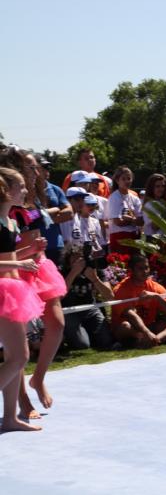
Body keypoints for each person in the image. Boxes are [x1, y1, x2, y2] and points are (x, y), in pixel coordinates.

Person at [3, 148, 68, 411]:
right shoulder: (8, 205)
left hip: (39, 266)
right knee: (17, 345)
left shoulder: (33, 200)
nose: (36, 171)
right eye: (30, 167)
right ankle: (20, 400)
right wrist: (22, 257)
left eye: (36, 167)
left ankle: (38, 378)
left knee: (57, 324)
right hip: (16, 270)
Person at [0, 167, 46, 432]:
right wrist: (21, 262)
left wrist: (30, 251)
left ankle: (9, 418)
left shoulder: (11, 221)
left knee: (13, 357)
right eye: (20, 185)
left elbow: (9, 257)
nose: (26, 189)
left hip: (13, 289)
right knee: (20, 357)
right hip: (3, 290)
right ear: (6, 190)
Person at [111, 254, 166, 348]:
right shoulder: (121, 289)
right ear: (131, 270)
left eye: (146, 268)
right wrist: (147, 332)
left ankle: (156, 340)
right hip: (131, 328)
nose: (145, 271)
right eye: (140, 268)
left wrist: (157, 297)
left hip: (150, 326)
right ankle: (144, 340)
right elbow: (131, 316)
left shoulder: (155, 287)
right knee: (125, 326)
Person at [60, 245, 114, 350]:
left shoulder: (94, 270)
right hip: (69, 311)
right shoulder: (62, 272)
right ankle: (68, 336)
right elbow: (60, 296)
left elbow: (110, 296)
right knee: (82, 345)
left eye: (80, 259)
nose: (78, 263)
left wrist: (94, 279)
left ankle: (89, 333)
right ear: (68, 262)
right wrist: (73, 273)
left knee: (106, 340)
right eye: (74, 260)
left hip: (90, 309)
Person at [37, 157, 73, 265]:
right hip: (36, 246)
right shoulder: (28, 191)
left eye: (48, 167)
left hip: (56, 244)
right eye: (43, 167)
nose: (47, 170)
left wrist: (43, 218)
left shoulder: (56, 189)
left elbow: (70, 213)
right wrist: (56, 210)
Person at [107, 166, 143, 253]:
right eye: (123, 179)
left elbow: (141, 222)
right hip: (119, 238)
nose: (127, 181)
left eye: (129, 178)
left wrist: (129, 219)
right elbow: (117, 222)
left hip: (134, 237)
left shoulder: (135, 198)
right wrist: (134, 220)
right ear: (117, 180)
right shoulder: (114, 197)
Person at [141, 174, 166, 239]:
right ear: (151, 188)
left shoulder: (163, 202)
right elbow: (155, 227)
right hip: (154, 240)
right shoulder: (149, 204)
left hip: (165, 239)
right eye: (157, 186)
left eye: (163, 186)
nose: (161, 189)